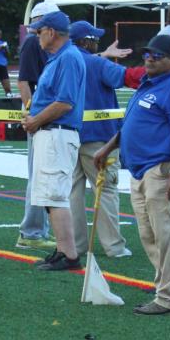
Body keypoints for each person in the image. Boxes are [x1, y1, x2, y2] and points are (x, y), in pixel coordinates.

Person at [93, 33, 170, 315]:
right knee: (149, 236)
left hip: (160, 169)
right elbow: (129, 124)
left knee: (166, 235)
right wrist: (107, 148)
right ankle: (168, 290)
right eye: (147, 54)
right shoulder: (147, 85)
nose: (149, 59)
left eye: (157, 56)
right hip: (140, 170)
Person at [67, 21, 140, 261]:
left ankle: (75, 244)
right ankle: (113, 246)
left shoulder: (63, 61)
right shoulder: (98, 64)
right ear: (85, 41)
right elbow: (125, 77)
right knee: (106, 189)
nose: (97, 42)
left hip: (68, 134)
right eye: (94, 39)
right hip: (99, 137)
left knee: (72, 191)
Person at [23, 10, 86, 273]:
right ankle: (63, 250)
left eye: (39, 31)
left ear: (51, 32)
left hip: (57, 133)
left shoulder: (68, 58)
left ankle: (69, 255)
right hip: (51, 133)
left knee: (56, 195)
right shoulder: (61, 57)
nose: (36, 36)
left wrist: (35, 120)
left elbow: (64, 102)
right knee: (50, 194)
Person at [16, 3, 54, 249]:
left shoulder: (42, 44)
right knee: (38, 173)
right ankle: (31, 232)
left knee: (44, 173)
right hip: (39, 115)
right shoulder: (32, 43)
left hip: (43, 113)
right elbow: (24, 82)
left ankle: (38, 230)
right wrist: (33, 113)